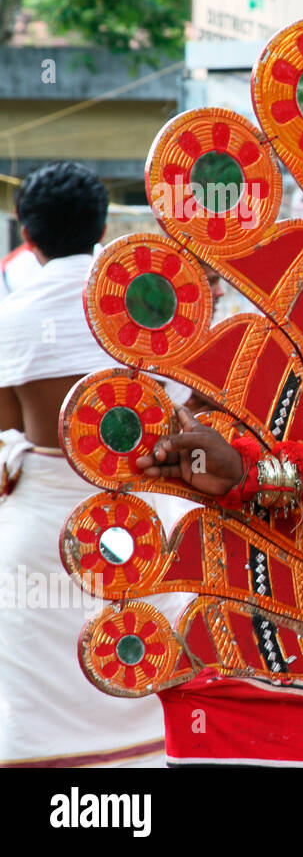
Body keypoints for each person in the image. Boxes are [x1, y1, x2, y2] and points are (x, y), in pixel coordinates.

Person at [0, 162, 168, 766]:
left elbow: (5, 428)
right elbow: (177, 407)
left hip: (44, 532)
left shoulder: (12, 319)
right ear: (101, 227)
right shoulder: (148, 307)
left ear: (29, 235)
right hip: (148, 519)